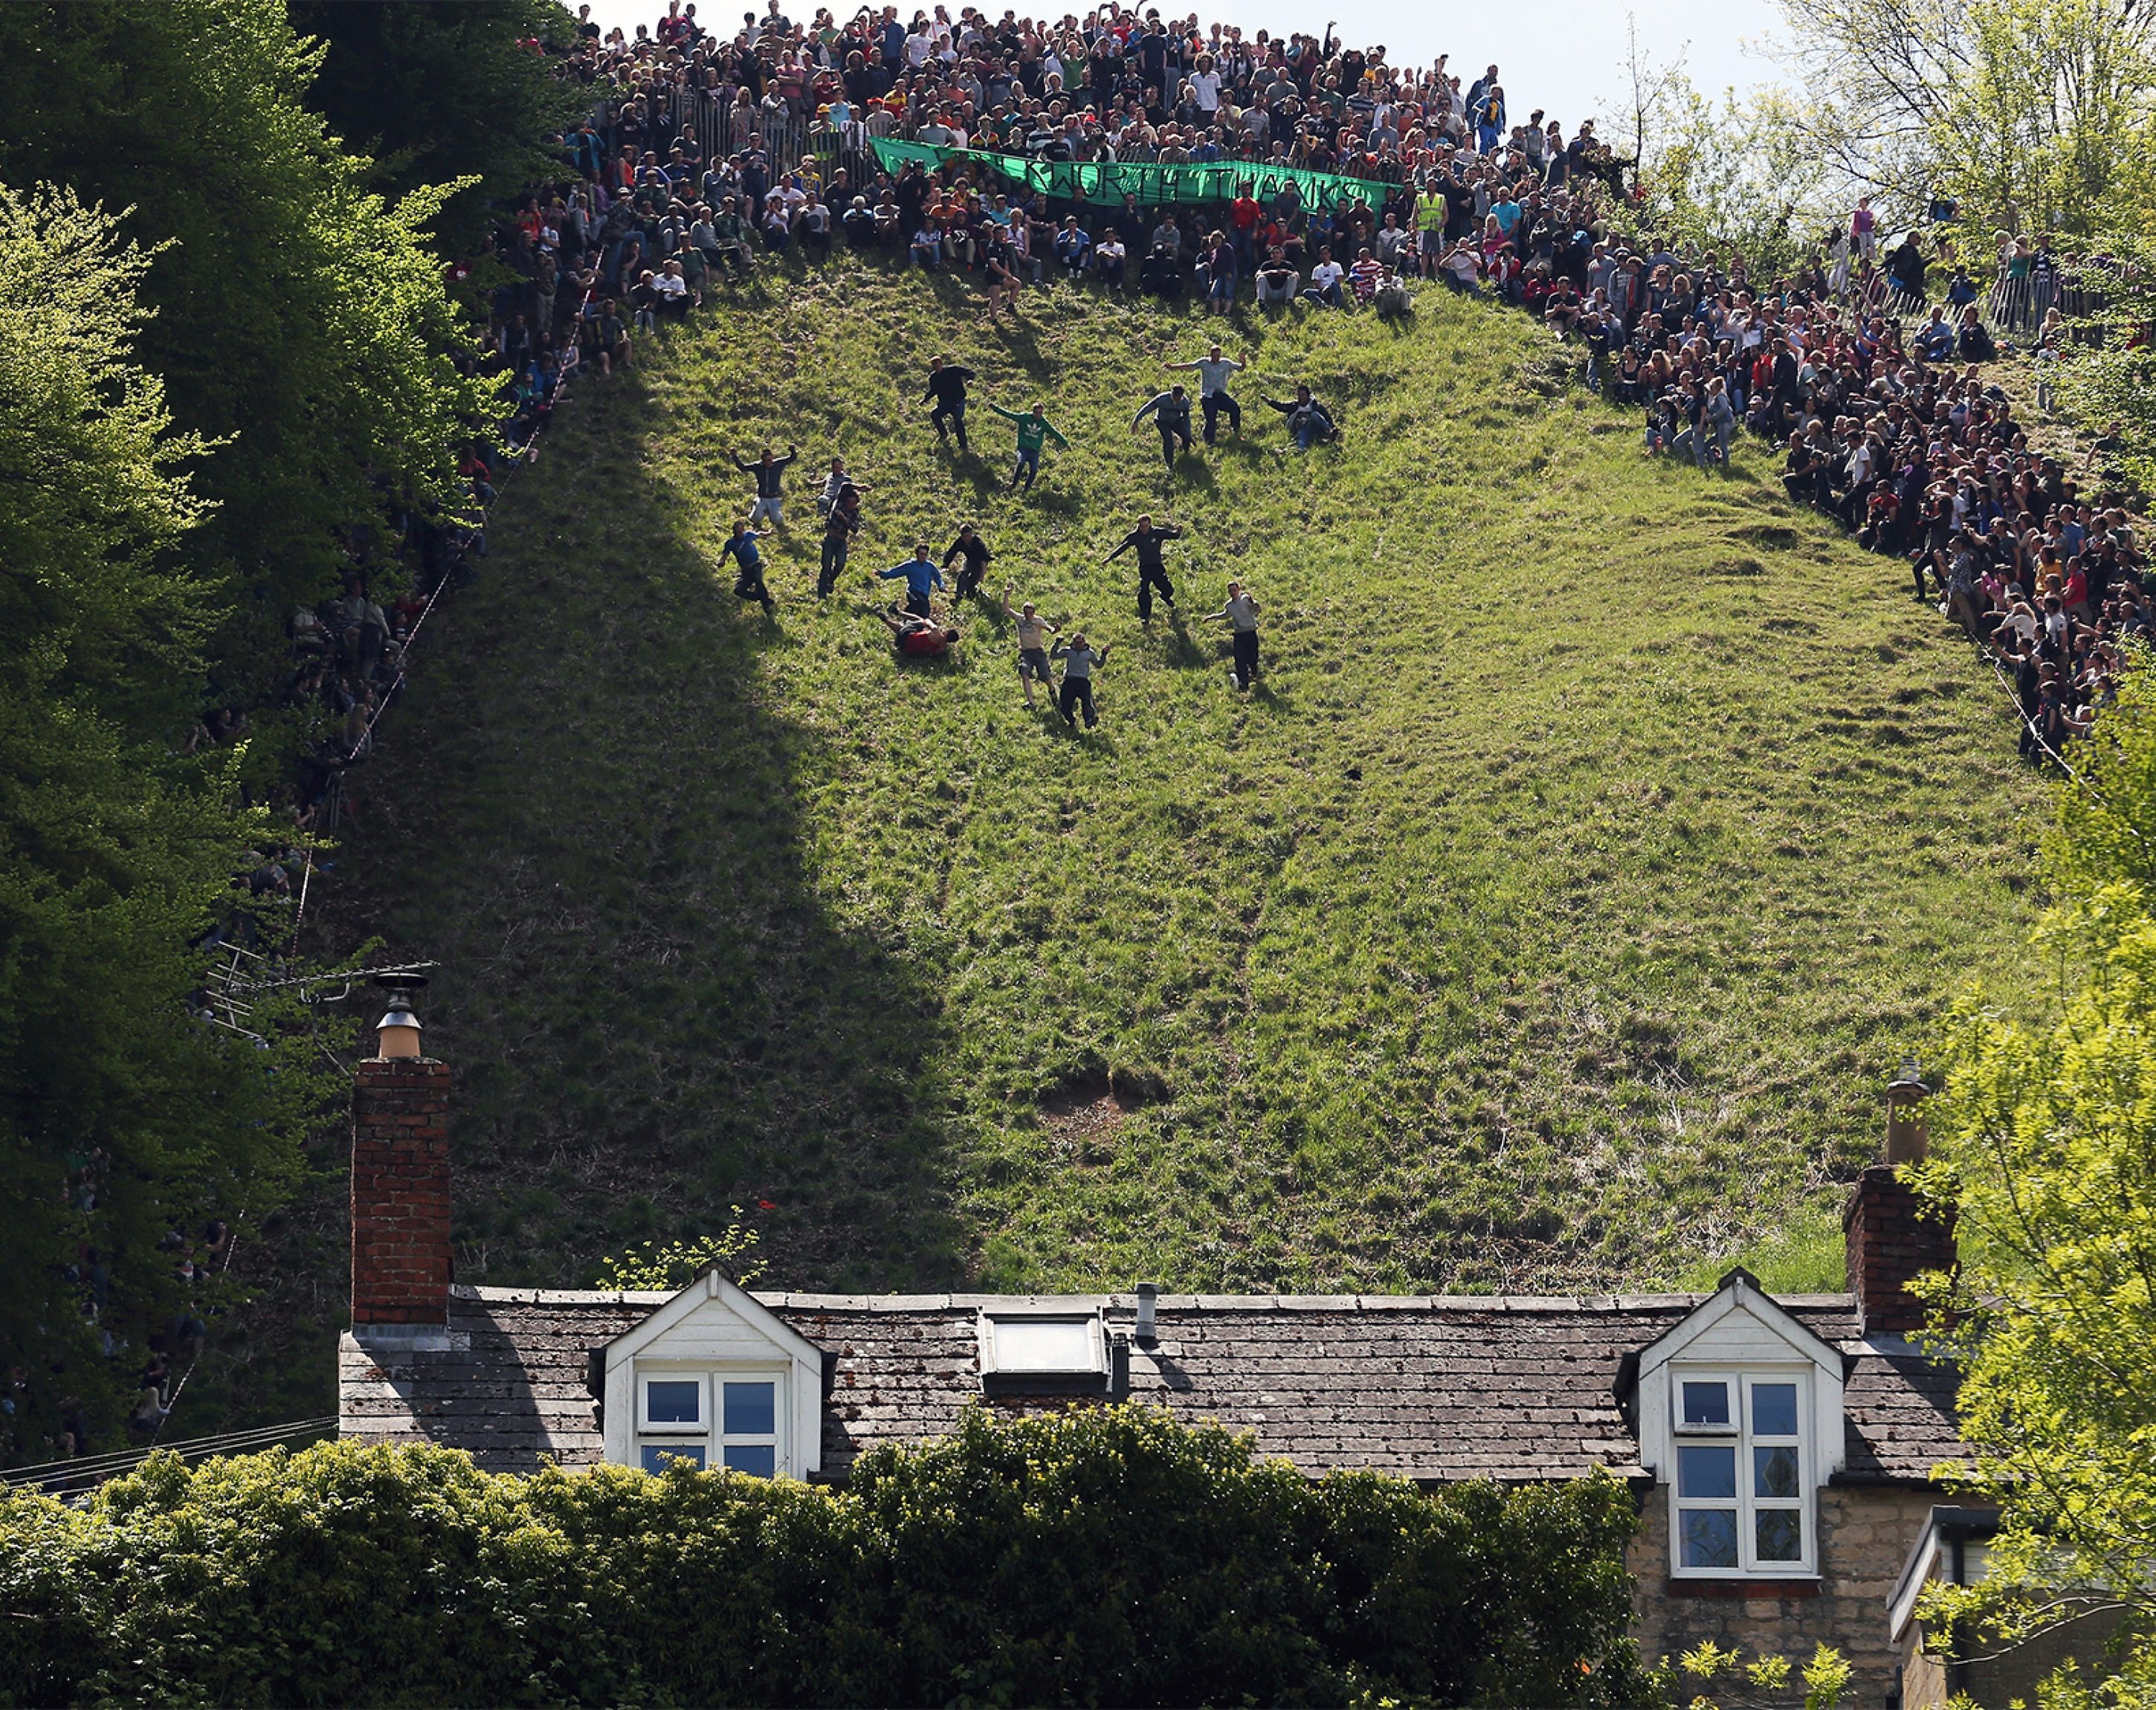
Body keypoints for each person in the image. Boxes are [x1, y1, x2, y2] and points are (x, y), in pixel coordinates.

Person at [1105, 514, 1184, 623]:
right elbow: (1123, 547)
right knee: (1144, 591)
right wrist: (1110, 558)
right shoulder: (1135, 536)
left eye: (1146, 526)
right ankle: (1145, 616)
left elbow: (1174, 536)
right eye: (1142, 526)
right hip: (1145, 567)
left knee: (1168, 589)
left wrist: (1178, 532)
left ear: (1149, 524)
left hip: (1157, 566)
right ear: (1139, 525)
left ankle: (1165, 597)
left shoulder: (1157, 533)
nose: (1144, 529)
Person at [1166, 344, 1244, 444]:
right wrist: (1173, 367)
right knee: (1211, 420)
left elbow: (1240, 369)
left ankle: (1236, 430)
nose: (1216, 358)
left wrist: (1243, 363)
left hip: (1220, 395)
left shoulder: (1226, 363)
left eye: (1218, 356)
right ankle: (1209, 441)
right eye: (1214, 356)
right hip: (1207, 396)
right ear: (1210, 355)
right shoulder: (1204, 363)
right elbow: (1190, 366)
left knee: (1235, 408)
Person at [989, 399, 1069, 493]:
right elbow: (1009, 414)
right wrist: (995, 408)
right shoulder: (1024, 417)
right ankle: (1013, 484)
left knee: (1034, 470)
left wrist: (1065, 443)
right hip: (1023, 449)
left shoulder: (1044, 423)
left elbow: (1054, 432)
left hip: (1034, 451)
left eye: (1041, 413)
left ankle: (1026, 489)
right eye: (1037, 413)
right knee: (1021, 463)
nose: (1039, 415)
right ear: (1033, 412)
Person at [1003, 585, 1059, 709]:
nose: (1028, 615)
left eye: (1030, 613)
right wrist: (1006, 594)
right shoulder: (1020, 619)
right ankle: (1031, 702)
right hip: (1026, 653)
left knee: (1045, 676)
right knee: (1024, 673)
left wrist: (1055, 629)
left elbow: (1050, 629)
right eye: (1026, 612)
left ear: (1033, 613)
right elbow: (1007, 610)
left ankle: (1052, 689)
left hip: (1038, 652)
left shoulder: (1038, 621)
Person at [1050, 630, 1108, 728]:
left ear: (1084, 642)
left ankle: (1089, 720)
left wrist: (1104, 654)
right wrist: (1057, 643)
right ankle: (1071, 721)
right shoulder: (1068, 651)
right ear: (1073, 642)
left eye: (1080, 642)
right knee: (1065, 706)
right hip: (1069, 681)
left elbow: (1099, 665)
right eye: (1076, 642)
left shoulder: (1089, 653)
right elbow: (1054, 655)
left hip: (1082, 681)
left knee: (1087, 702)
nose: (1078, 645)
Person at [1132, 384, 1196, 471]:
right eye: (1175, 398)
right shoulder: (1162, 399)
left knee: (1186, 437)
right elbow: (1148, 408)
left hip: (1175, 421)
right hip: (1162, 422)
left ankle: (1185, 454)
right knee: (1168, 439)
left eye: (1179, 399)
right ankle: (1169, 464)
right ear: (1172, 394)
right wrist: (1136, 420)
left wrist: (1188, 433)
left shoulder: (1185, 403)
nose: (1176, 401)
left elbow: (1186, 419)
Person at [732, 443, 797, 529]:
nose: (768, 463)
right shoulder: (757, 467)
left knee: (777, 520)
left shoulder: (778, 464)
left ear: (772, 459)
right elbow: (743, 467)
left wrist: (792, 450)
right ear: (762, 461)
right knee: (755, 518)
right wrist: (734, 456)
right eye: (766, 461)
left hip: (773, 497)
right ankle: (757, 504)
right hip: (762, 497)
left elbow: (792, 458)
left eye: (770, 460)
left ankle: (776, 510)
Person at [1212, 578, 1261, 688]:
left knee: (1252, 657)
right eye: (1230, 591)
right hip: (1239, 634)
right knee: (1239, 657)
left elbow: (1257, 610)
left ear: (1239, 590)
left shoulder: (1246, 599)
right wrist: (1212, 617)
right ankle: (1244, 682)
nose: (1232, 593)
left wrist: (1255, 603)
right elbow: (1226, 615)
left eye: (1234, 590)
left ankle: (1254, 672)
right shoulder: (1229, 605)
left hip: (1251, 632)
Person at [874, 541, 945, 616]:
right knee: (917, 603)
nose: (923, 556)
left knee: (924, 614)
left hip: (924, 595)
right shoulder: (910, 566)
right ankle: (897, 613)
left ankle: (901, 617)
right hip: (913, 592)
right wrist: (881, 574)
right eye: (921, 554)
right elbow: (894, 573)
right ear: (917, 554)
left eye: (925, 554)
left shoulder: (930, 566)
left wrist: (941, 586)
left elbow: (938, 577)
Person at [718, 518, 774, 610]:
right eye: (738, 532)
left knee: (758, 581)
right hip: (746, 571)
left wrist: (769, 533)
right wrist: (721, 561)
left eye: (741, 532)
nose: (740, 534)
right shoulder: (731, 543)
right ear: (734, 532)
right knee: (738, 590)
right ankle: (762, 598)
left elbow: (759, 534)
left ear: (743, 530)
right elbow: (725, 555)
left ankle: (766, 606)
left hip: (755, 565)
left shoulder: (749, 535)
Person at [818, 483, 862, 597]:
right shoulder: (838, 505)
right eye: (849, 502)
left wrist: (845, 519)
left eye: (854, 503)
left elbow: (855, 529)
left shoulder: (854, 512)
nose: (851, 505)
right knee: (826, 566)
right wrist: (859, 487)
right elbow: (844, 486)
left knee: (841, 564)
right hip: (830, 539)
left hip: (841, 541)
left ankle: (830, 580)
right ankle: (821, 594)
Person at [923, 355, 978, 450]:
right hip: (945, 403)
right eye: (934, 367)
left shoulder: (953, 370)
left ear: (941, 364)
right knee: (935, 415)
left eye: (938, 365)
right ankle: (943, 434)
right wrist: (925, 400)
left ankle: (963, 446)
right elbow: (933, 391)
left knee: (958, 421)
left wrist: (970, 380)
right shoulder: (934, 377)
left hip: (958, 401)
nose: (937, 368)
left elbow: (969, 372)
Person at [1263, 385, 1339, 450]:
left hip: (1316, 428)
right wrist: (1269, 401)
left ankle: (1329, 432)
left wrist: (1332, 426)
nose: (1301, 397)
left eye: (1303, 395)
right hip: (1303, 429)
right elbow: (1282, 406)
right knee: (1301, 445)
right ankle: (1294, 450)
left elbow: (1326, 417)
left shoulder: (1316, 405)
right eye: (1299, 395)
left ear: (1308, 395)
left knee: (1314, 415)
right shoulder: (1295, 406)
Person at [877, 603, 958, 658]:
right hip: (903, 649)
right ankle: (884, 617)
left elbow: (927, 621)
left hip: (905, 636)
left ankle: (896, 612)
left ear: (947, 633)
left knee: (920, 620)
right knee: (907, 629)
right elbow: (930, 654)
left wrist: (933, 623)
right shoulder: (942, 649)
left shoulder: (936, 631)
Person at [942, 523, 994, 601]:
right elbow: (952, 552)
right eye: (964, 536)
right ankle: (959, 595)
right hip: (970, 561)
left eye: (968, 536)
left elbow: (983, 560)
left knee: (972, 583)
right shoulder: (960, 542)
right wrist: (945, 565)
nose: (966, 538)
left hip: (980, 563)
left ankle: (974, 592)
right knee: (963, 574)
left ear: (971, 534)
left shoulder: (978, 543)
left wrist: (982, 574)